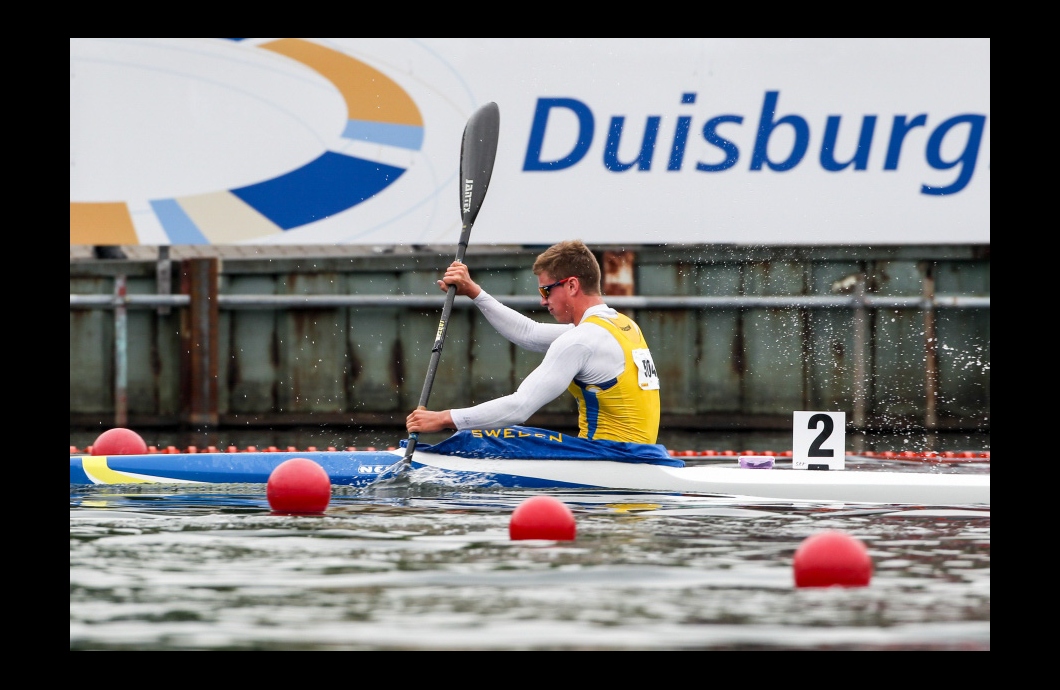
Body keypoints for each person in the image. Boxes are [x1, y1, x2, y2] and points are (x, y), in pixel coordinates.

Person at [406, 240, 661, 444]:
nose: (542, 301)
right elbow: (528, 332)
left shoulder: (581, 340)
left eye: (546, 290)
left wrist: (443, 418)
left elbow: (520, 408)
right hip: (638, 455)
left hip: (609, 458)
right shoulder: (622, 326)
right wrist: (474, 292)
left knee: (474, 438)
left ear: (572, 285)